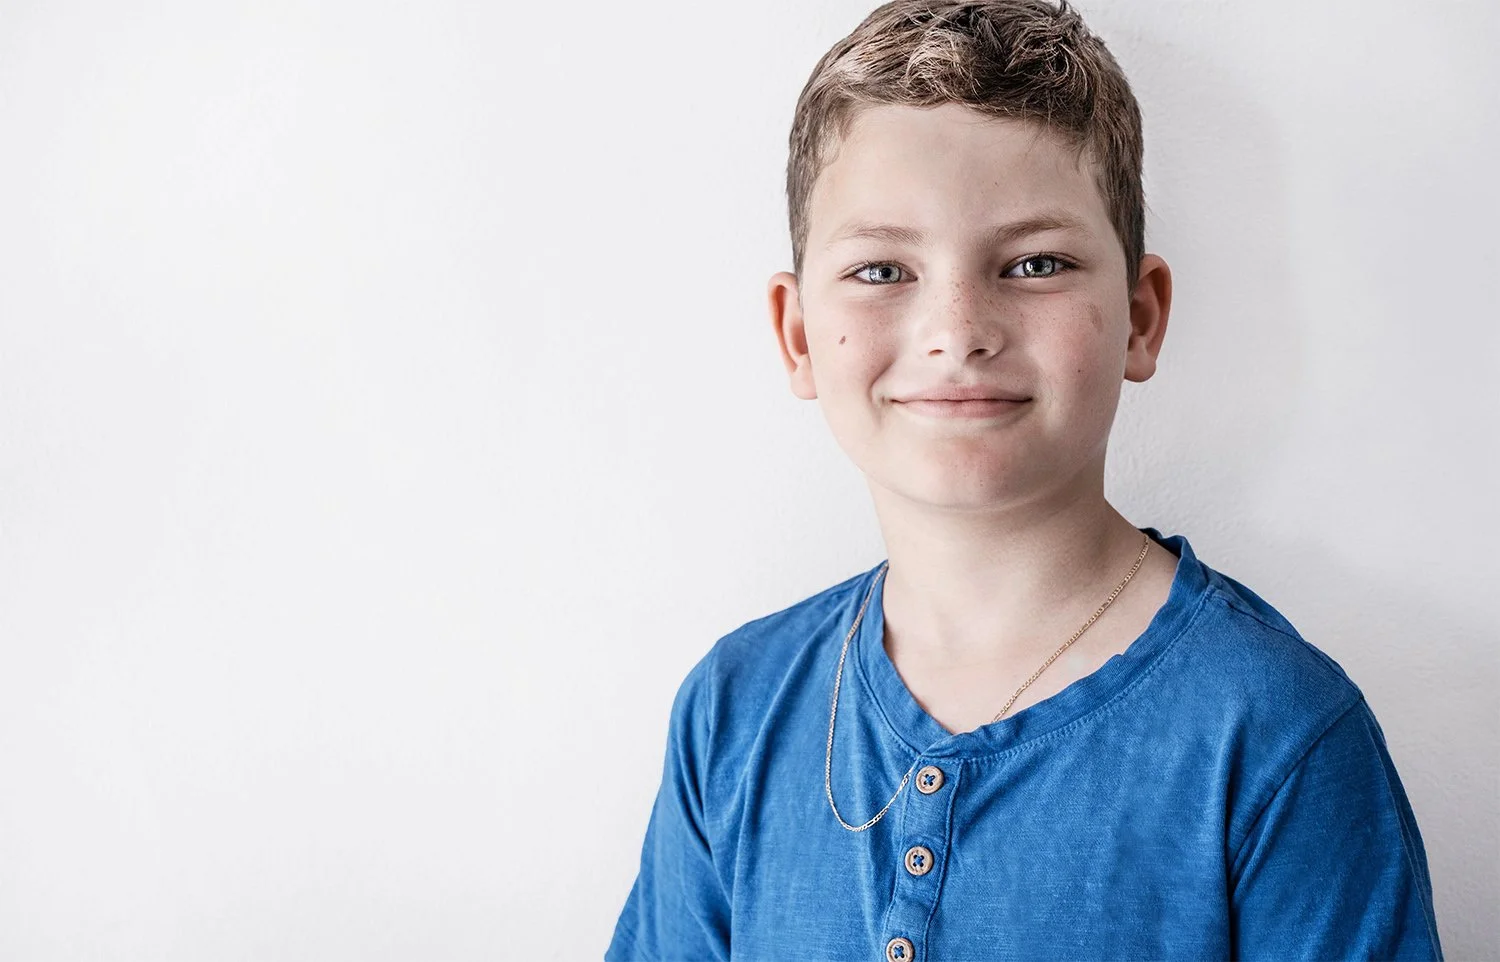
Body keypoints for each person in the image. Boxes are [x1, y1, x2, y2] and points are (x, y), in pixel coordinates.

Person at [605, 1, 1443, 958]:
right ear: (799, 337)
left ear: (1139, 318)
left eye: (1034, 263)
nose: (957, 330)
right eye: (882, 270)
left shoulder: (1274, 734)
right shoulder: (734, 709)